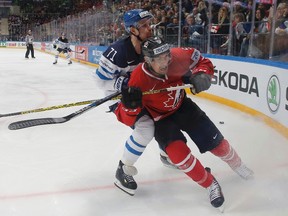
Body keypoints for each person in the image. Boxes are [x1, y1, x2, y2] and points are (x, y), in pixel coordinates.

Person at [116, 36, 254, 209]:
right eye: (159, 59)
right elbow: (126, 117)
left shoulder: (178, 55)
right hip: (161, 120)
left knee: (217, 144)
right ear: (148, 60)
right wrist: (131, 106)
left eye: (166, 55)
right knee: (178, 155)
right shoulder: (138, 79)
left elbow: (202, 61)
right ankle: (210, 184)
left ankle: (238, 165)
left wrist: (202, 74)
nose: (166, 61)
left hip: (183, 107)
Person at [94, 9, 177, 196]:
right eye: (144, 26)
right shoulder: (117, 52)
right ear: (132, 30)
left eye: (150, 24)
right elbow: (99, 81)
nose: (150, 29)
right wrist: (123, 84)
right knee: (146, 128)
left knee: (168, 115)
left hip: (145, 95)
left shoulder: (152, 46)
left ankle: (166, 153)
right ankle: (123, 169)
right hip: (121, 98)